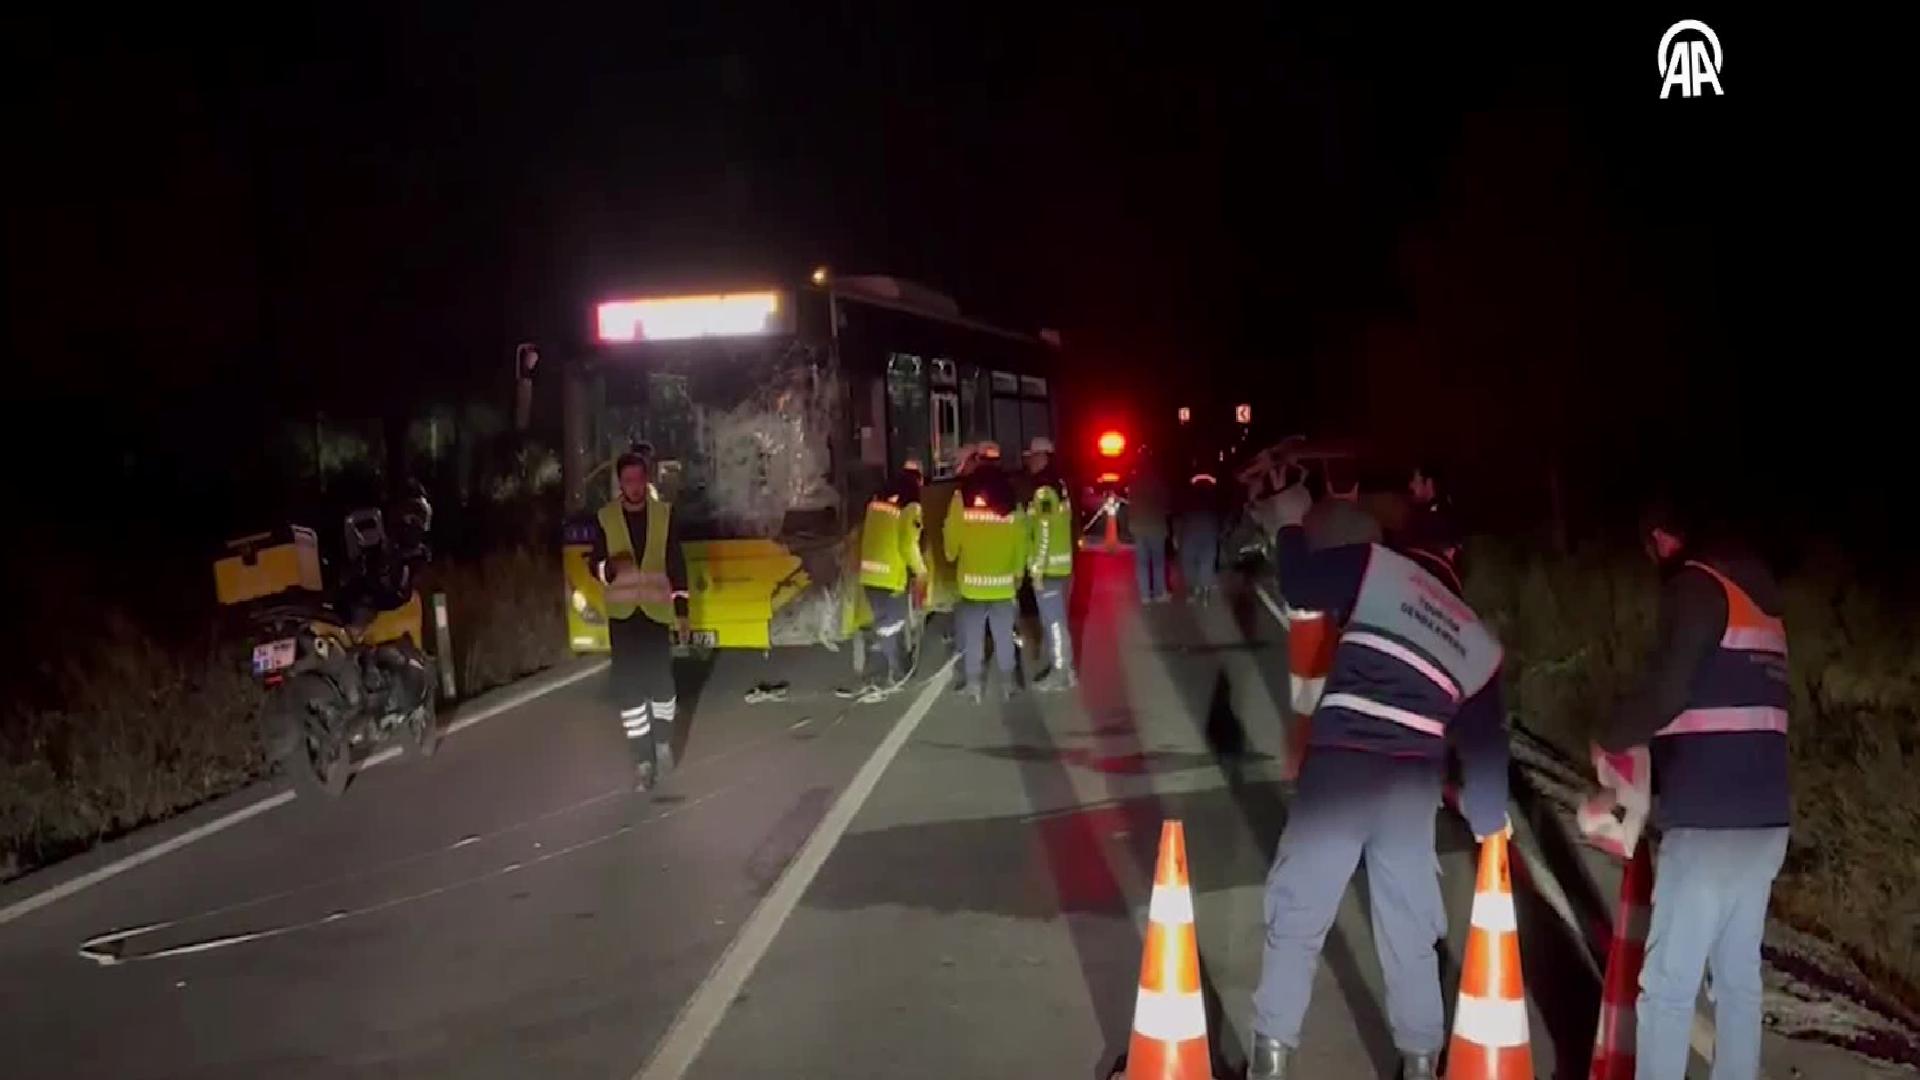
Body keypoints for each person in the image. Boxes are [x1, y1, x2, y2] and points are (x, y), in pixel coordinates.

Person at [1248, 485, 1510, 1080]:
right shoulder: (1478, 640)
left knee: (1298, 914)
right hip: (1411, 787)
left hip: (1342, 767)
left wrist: (1289, 526)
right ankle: (1420, 1064)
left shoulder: (1377, 567)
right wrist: (1488, 820)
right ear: (1458, 560)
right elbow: (1488, 751)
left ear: (1410, 543)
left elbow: (1300, 584)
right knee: (1411, 930)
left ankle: (1271, 1062)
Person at [1597, 504, 1790, 1080]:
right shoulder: (1763, 601)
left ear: (1659, 536)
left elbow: (1668, 691)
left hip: (1708, 823)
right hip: (1765, 822)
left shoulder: (1694, 588)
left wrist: (1608, 736)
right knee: (1737, 984)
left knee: (1668, 990)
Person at [586, 445, 692, 793]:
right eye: (626, 480)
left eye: (638, 479)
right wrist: (609, 568)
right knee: (629, 689)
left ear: (646, 480)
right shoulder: (605, 518)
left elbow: (676, 565)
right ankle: (642, 761)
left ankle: (662, 743)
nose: (632, 485)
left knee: (662, 684)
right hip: (622, 618)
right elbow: (595, 566)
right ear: (620, 483)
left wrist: (682, 613)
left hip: (656, 613)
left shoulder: (664, 515)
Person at [944, 441, 1028, 703]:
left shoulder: (962, 495)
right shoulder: (1011, 496)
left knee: (973, 635)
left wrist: (951, 554)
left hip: (971, 582)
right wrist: (1017, 572)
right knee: (1004, 634)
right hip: (1003, 582)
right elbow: (1021, 539)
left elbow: (951, 535)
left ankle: (974, 686)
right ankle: (1008, 683)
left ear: (978, 460)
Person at [856, 458, 928, 695]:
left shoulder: (877, 497)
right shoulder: (911, 504)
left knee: (883, 623)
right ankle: (898, 674)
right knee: (892, 625)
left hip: (869, 572)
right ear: (919, 479)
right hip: (890, 577)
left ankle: (888, 668)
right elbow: (908, 543)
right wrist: (920, 571)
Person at [1022, 437, 1077, 691]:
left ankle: (1060, 673)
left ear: (1043, 457)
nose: (1029, 461)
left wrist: (1038, 569)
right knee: (1058, 621)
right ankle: (1066, 667)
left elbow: (1043, 530)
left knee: (1054, 623)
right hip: (1062, 565)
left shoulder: (1044, 490)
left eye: (1032, 456)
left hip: (1050, 569)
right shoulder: (1060, 483)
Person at [1175, 469, 1224, 604]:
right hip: (1210, 529)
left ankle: (1192, 590)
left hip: (1191, 529)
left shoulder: (1187, 494)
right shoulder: (1215, 494)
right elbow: (1221, 512)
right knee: (1207, 561)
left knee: (1189, 561)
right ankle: (1205, 591)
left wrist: (1178, 534)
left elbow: (1180, 512)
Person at [1129, 448, 1172, 603]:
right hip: (1156, 526)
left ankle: (1145, 594)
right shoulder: (1159, 480)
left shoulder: (1134, 480)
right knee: (1158, 560)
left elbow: (1131, 504)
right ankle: (1161, 592)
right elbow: (1167, 503)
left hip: (1139, 527)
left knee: (1142, 562)